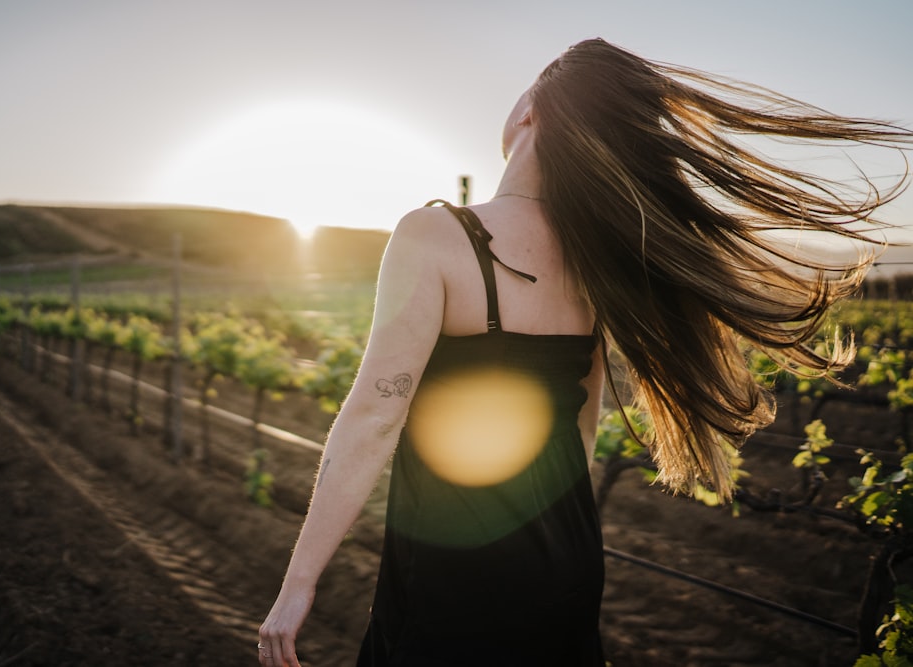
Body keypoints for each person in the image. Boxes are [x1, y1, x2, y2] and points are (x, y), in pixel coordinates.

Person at [258, 38, 912, 666]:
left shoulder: (433, 235)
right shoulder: (597, 260)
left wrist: (297, 582)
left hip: (453, 567)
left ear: (529, 109)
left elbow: (376, 417)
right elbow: (583, 425)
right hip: (567, 558)